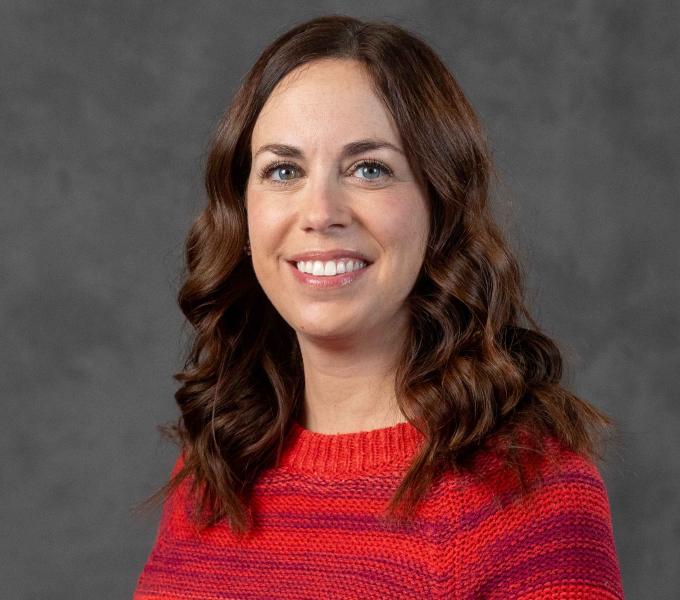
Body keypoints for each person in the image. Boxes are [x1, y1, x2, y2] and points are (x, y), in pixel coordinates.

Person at [134, 15, 623, 599]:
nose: (320, 212)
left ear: (439, 208)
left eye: (369, 169)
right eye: (283, 170)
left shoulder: (528, 490)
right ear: (242, 214)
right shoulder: (214, 472)